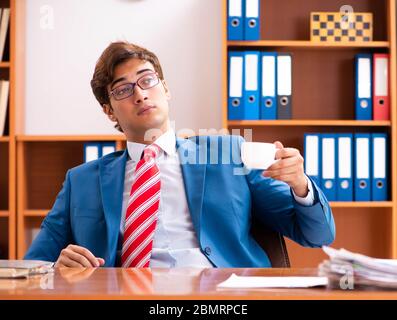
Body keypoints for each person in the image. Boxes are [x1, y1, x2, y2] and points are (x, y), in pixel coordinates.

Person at [25, 41, 335, 268]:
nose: (140, 94)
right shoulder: (81, 181)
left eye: (147, 80)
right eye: (123, 90)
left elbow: (316, 235)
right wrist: (56, 268)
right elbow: (32, 265)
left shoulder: (228, 153)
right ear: (109, 111)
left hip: (221, 299)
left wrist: (300, 185)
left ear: (166, 88)